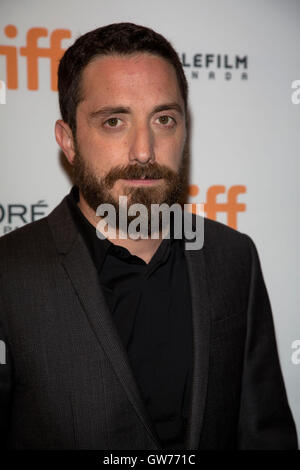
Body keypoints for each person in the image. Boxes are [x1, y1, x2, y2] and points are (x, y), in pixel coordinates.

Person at [0, 22, 297, 450]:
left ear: (185, 131)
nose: (144, 150)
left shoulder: (233, 258)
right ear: (68, 141)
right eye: (114, 121)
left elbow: (264, 433)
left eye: (164, 119)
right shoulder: (9, 273)